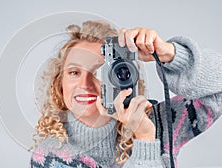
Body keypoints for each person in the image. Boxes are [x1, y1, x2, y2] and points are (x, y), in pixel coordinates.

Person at [29, 20, 222, 167]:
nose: (85, 84)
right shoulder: (51, 155)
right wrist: (145, 140)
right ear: (60, 85)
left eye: (98, 72)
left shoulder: (161, 122)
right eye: (74, 72)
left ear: (122, 76)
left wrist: (170, 55)